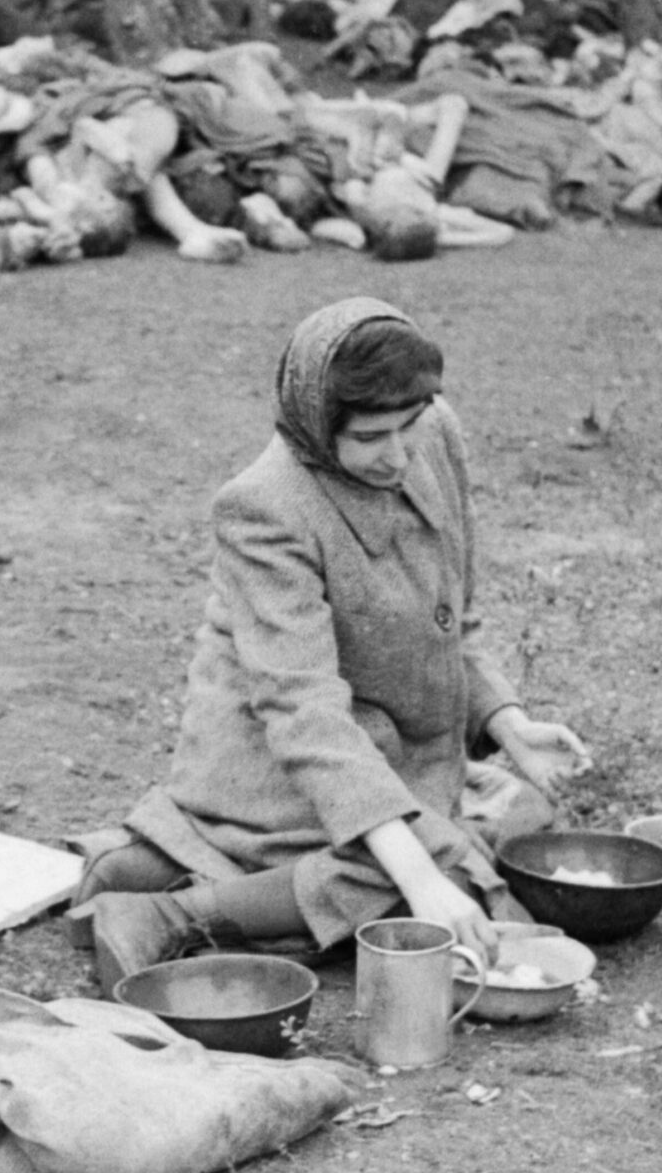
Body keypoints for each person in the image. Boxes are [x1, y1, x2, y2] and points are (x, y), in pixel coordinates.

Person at [74, 298, 591, 984]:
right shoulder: (265, 506)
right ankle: (175, 912)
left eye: (410, 427)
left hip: (386, 744)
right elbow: (302, 709)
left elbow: (452, 618)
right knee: (434, 875)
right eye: (373, 436)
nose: (400, 454)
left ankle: (175, 861)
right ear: (319, 425)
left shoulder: (432, 434)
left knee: (515, 823)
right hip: (274, 755)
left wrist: (510, 723)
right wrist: (417, 876)